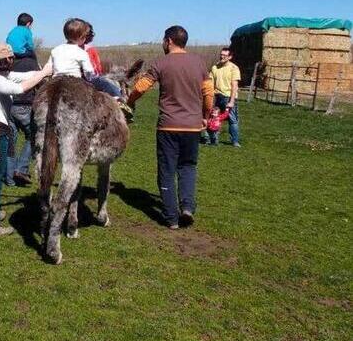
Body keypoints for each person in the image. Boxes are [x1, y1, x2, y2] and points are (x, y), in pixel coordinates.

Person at [127, 25, 214, 229]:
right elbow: (209, 93)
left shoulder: (161, 63)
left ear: (168, 41)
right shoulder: (200, 63)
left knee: (167, 170)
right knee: (188, 167)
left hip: (168, 126)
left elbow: (141, 87)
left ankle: (170, 218)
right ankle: (187, 208)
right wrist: (205, 116)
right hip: (192, 127)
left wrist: (130, 101)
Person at [0, 44, 52, 237]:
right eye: (11, 57)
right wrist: (45, 71)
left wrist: (42, 72)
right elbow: (21, 88)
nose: (13, 60)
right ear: (6, 60)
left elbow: (24, 76)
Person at [48, 18, 133, 120]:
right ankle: (119, 101)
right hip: (75, 80)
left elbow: (51, 67)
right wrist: (91, 76)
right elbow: (89, 71)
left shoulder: (55, 50)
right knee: (104, 82)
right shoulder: (81, 52)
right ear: (82, 37)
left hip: (56, 81)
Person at [5, 48, 40, 187]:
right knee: (34, 136)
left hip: (9, 105)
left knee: (11, 142)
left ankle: (9, 178)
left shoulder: (11, 62)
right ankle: (21, 168)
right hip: (25, 104)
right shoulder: (33, 64)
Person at [210, 47, 241, 147]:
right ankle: (213, 139)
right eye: (221, 54)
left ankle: (235, 141)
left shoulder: (234, 68)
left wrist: (231, 101)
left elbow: (234, 86)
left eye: (224, 55)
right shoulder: (215, 67)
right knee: (214, 118)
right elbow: (210, 83)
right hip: (217, 96)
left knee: (232, 120)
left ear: (230, 57)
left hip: (228, 96)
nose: (222, 56)